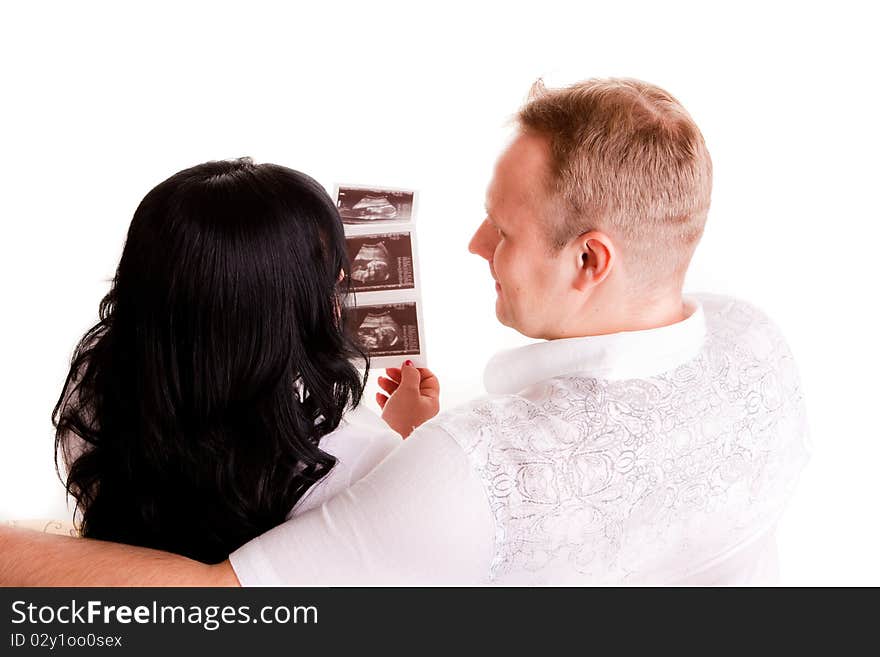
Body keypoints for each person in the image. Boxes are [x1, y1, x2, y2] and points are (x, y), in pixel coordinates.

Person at [0, 78, 809, 586]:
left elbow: (212, 603)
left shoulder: (456, 476)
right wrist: (420, 449)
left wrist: (431, 457)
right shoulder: (759, 341)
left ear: (590, 258)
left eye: (502, 228)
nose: (474, 245)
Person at [20, 157, 439, 565]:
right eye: (324, 275)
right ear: (267, 315)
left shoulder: (99, 386)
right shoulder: (360, 453)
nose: (342, 282)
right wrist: (400, 441)